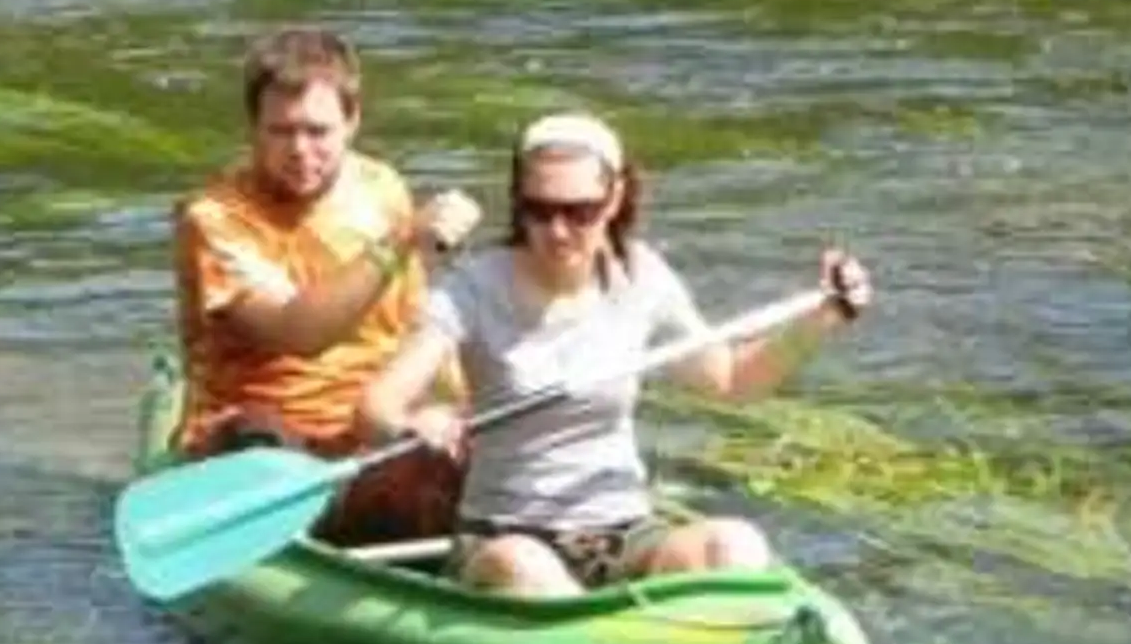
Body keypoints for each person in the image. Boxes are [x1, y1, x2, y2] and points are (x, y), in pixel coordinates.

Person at [357, 107, 869, 595]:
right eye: (539, 210)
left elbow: (731, 381)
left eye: (579, 212)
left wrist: (823, 317)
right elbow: (375, 407)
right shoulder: (472, 288)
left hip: (623, 532)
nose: (557, 230)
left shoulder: (642, 277)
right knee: (525, 566)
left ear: (616, 197)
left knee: (736, 544)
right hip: (505, 536)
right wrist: (413, 426)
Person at [171, 26, 483, 545]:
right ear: (254, 128)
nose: (299, 150)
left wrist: (456, 411)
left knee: (452, 454)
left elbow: (418, 323)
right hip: (262, 440)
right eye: (281, 131)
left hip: (371, 433)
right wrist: (401, 239)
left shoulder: (382, 188)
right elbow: (300, 331)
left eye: (318, 131)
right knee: (259, 436)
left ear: (352, 121)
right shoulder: (214, 221)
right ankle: (323, 520)